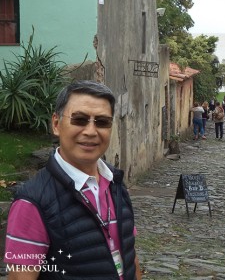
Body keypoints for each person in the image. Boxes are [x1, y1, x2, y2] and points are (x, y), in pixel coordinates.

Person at [3, 80, 142, 279]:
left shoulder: (116, 184)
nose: (91, 131)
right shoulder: (31, 202)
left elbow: (129, 254)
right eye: (80, 119)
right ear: (56, 124)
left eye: (102, 122)